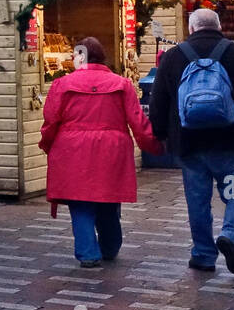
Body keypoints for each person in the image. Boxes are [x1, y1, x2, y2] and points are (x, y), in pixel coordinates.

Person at [149, 7, 234, 276]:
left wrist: (161, 134)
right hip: (230, 144)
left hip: (190, 145)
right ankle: (230, 235)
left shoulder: (173, 57)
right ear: (219, 27)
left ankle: (203, 256)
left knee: (198, 201)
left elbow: (158, 101)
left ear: (191, 28)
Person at [39, 38, 161, 268]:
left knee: (80, 202)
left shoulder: (61, 85)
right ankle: (110, 247)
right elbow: (137, 121)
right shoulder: (122, 84)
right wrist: (153, 145)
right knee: (108, 198)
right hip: (112, 149)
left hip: (72, 149)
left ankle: (87, 253)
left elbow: (51, 121)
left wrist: (47, 144)